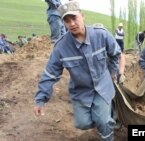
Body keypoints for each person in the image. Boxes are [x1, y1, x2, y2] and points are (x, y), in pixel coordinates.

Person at [33, 1, 121, 141]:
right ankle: (104, 117)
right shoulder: (61, 47)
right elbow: (50, 74)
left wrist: (113, 72)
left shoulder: (101, 35)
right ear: (64, 23)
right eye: (67, 21)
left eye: (74, 18)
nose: (72, 23)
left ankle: (107, 130)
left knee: (103, 121)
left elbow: (115, 53)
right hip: (81, 90)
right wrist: (40, 100)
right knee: (83, 123)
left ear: (82, 15)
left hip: (102, 86)